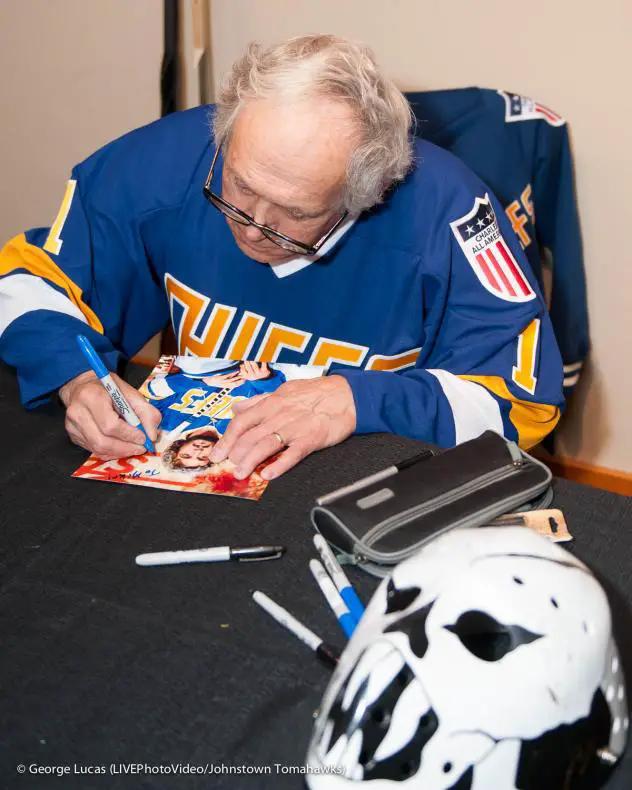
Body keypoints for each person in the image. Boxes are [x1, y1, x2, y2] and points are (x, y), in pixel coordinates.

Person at [0, 34, 563, 481]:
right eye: (238, 187)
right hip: (202, 468)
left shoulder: (451, 213)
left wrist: (359, 398)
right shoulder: (162, 160)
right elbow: (29, 279)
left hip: (359, 481)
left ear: (366, 194)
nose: (255, 228)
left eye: (295, 213)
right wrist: (76, 377)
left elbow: (523, 403)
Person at [145, 359, 286, 437]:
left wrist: (204, 382)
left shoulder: (167, 423)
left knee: (193, 364)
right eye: (203, 458)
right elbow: (275, 404)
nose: (198, 450)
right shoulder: (236, 433)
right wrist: (263, 380)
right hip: (261, 370)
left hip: (207, 369)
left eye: (187, 455)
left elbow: (154, 389)